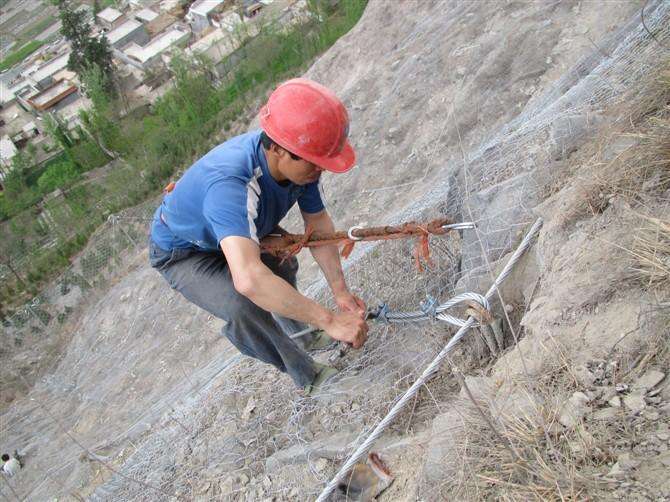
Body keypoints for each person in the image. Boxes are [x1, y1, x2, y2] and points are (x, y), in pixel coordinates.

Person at [149, 78, 369, 394]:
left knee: (282, 265)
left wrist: (341, 292)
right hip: (187, 250)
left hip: (231, 226)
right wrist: (330, 320)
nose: (320, 171)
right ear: (279, 150)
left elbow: (317, 225)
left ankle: (305, 335)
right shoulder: (232, 185)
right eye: (315, 163)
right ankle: (305, 373)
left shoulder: (301, 164)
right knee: (243, 307)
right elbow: (249, 280)